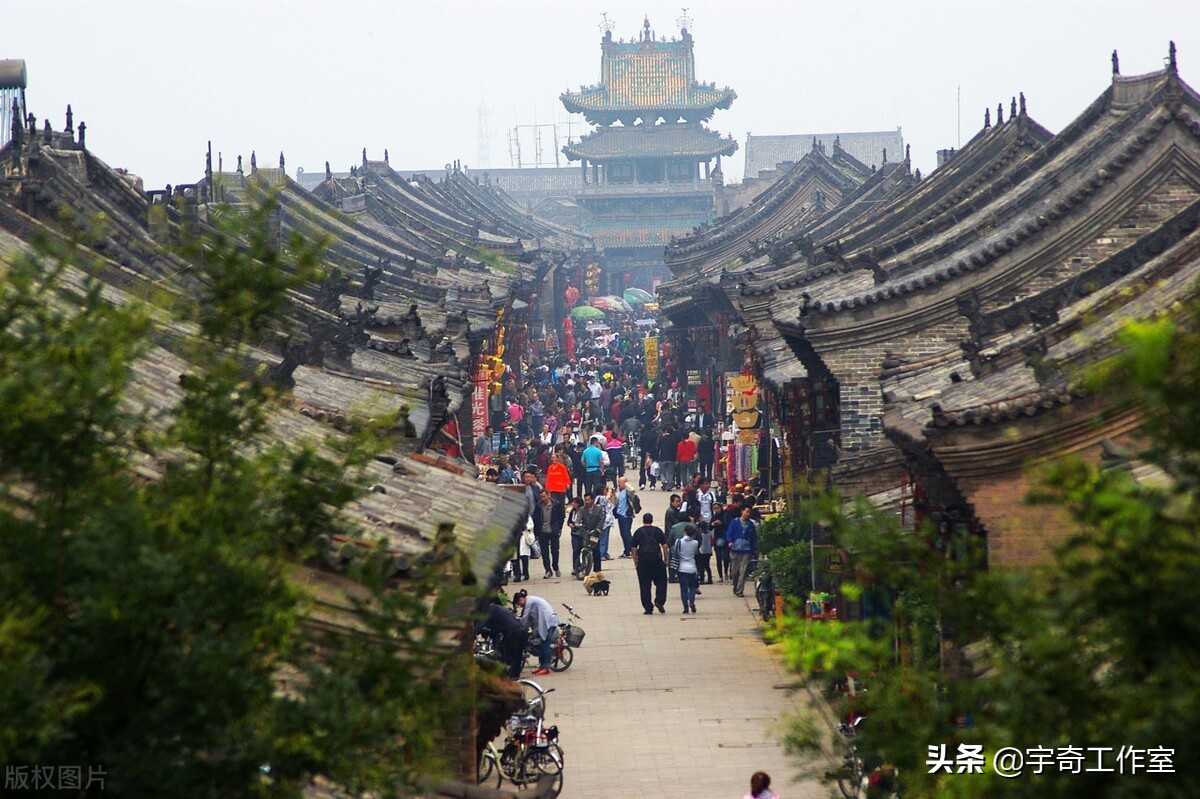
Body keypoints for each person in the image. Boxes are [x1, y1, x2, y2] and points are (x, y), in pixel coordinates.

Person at [476, 598, 528, 679]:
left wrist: (469, 636)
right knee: (517, 659)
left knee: (507, 660)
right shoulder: (498, 608)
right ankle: (515, 680)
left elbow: (479, 626)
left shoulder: (488, 611)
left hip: (512, 634)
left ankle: (508, 681)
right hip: (522, 631)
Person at [513, 590, 559, 676]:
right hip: (545, 621)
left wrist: (517, 626)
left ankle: (546, 668)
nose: (520, 606)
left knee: (545, 644)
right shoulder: (530, 601)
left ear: (521, 599)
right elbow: (529, 620)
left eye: (519, 604)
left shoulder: (529, 602)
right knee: (542, 643)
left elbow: (525, 618)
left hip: (548, 621)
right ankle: (542, 667)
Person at [630, 512, 668, 614]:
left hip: (643, 562)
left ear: (643, 521)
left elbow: (633, 548)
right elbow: (664, 546)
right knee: (661, 582)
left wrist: (635, 562)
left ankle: (648, 608)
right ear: (652, 520)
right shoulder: (658, 531)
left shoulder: (638, 532)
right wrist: (665, 559)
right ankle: (659, 600)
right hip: (657, 561)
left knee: (645, 586)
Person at [727, 505, 758, 598]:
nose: (747, 514)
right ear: (742, 511)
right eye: (746, 512)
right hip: (735, 550)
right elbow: (729, 533)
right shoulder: (734, 522)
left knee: (743, 572)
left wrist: (753, 550)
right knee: (734, 572)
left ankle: (740, 590)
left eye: (749, 513)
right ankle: (735, 586)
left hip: (746, 550)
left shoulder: (751, 525)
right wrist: (730, 541)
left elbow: (753, 538)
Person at [532, 489, 560, 578]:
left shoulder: (556, 505)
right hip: (542, 532)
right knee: (545, 553)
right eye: (541, 497)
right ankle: (548, 570)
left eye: (544, 496)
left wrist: (558, 528)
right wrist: (537, 532)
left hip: (553, 531)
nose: (543, 499)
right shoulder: (539, 506)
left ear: (548, 495)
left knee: (555, 551)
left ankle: (555, 566)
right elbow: (536, 519)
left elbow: (561, 516)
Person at [578, 492, 606, 574]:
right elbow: (579, 518)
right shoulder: (582, 509)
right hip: (585, 532)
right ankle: (580, 566)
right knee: (580, 548)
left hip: (594, 533)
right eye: (585, 500)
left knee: (596, 551)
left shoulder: (598, 509)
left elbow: (601, 520)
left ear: (592, 500)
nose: (586, 502)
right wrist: (578, 524)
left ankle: (597, 570)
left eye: (588, 500)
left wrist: (598, 529)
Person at [613, 475, 641, 558]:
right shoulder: (621, 492)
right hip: (620, 516)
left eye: (620, 482)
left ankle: (631, 551)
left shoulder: (628, 491)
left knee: (627, 534)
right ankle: (626, 551)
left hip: (626, 516)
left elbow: (632, 490)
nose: (618, 484)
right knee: (623, 534)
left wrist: (626, 483)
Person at [675, 524, 701, 613]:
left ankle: (685, 607)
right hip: (692, 568)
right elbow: (696, 553)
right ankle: (692, 602)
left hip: (682, 568)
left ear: (684, 532)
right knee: (692, 587)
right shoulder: (695, 543)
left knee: (683, 588)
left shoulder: (679, 542)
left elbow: (676, 552)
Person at [566, 497, 586, 578]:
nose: (573, 504)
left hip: (583, 532)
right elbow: (569, 521)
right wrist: (570, 524)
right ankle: (575, 566)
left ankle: (584, 565)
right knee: (576, 550)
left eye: (574, 503)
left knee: (583, 549)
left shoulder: (583, 511)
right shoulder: (572, 511)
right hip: (575, 533)